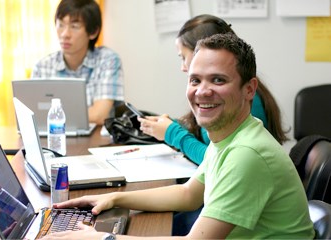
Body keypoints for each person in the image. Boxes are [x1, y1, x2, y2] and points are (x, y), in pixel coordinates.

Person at [42, 34, 314, 239]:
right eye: (195, 80)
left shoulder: (247, 154)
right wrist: (115, 199)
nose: (202, 91)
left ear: (249, 89)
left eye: (218, 80)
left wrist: (103, 237)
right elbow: (188, 195)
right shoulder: (232, 136)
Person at [139, 15, 288, 165]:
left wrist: (172, 133)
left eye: (183, 57)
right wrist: (170, 125)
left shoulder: (245, 102)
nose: (183, 67)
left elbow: (220, 161)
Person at [31, 0, 124, 125]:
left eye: (74, 27)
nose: (64, 34)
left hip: (98, 141)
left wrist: (53, 115)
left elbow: (99, 115)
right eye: (61, 24)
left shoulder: (108, 61)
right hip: (53, 138)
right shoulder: (42, 66)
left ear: (93, 32)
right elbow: (33, 115)